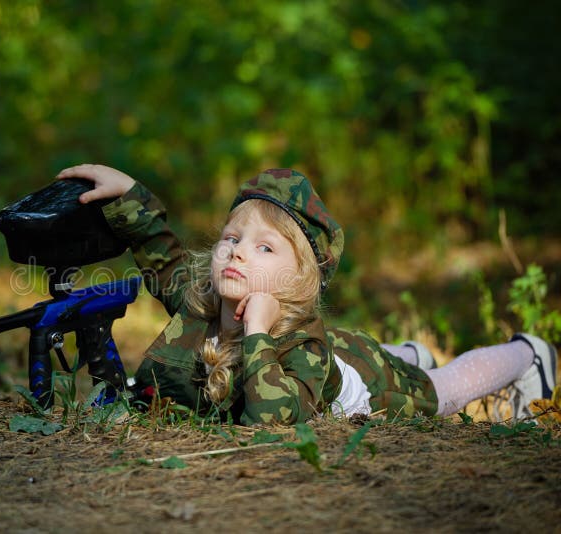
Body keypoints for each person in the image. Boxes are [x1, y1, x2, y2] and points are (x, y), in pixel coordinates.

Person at [57, 164, 558, 425]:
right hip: (342, 349)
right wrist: (128, 194)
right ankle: (410, 352)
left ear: (299, 281)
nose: (237, 253)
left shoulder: (304, 349)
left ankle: (525, 356)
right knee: (388, 354)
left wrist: (256, 332)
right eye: (231, 239)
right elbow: (162, 256)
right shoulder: (201, 303)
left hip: (362, 383)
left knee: (440, 390)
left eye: (264, 247)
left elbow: (269, 420)